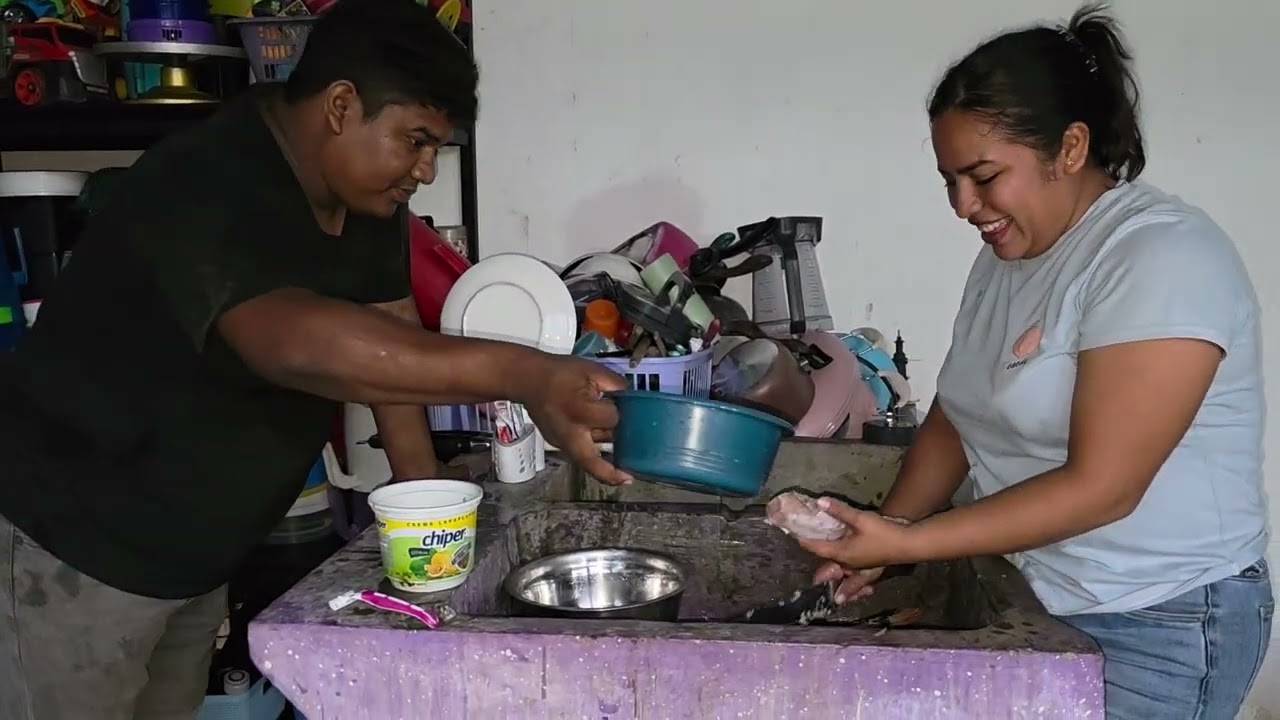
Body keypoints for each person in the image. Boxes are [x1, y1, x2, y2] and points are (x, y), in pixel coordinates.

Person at [0, 1, 631, 718]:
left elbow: (392, 352)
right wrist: (525, 372)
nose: (425, 171)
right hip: (70, 557)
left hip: (190, 562)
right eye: (415, 141)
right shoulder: (205, 181)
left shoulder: (365, 201)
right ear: (340, 106)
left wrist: (430, 518)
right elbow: (295, 344)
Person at [797, 4, 1271, 719]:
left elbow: (1103, 488)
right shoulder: (1005, 262)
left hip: (1157, 618)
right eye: (949, 180)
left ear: (1071, 148)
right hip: (1039, 597)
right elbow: (959, 417)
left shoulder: (1160, 257)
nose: (964, 205)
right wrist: (882, 541)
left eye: (983, 176)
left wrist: (914, 540)